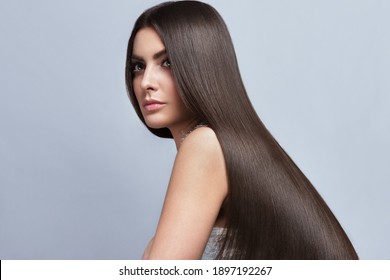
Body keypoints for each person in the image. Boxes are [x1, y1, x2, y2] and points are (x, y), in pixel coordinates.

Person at [125, 1, 358, 260]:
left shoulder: (205, 145)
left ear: (202, 66)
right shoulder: (232, 144)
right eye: (138, 67)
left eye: (166, 63)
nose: (146, 82)